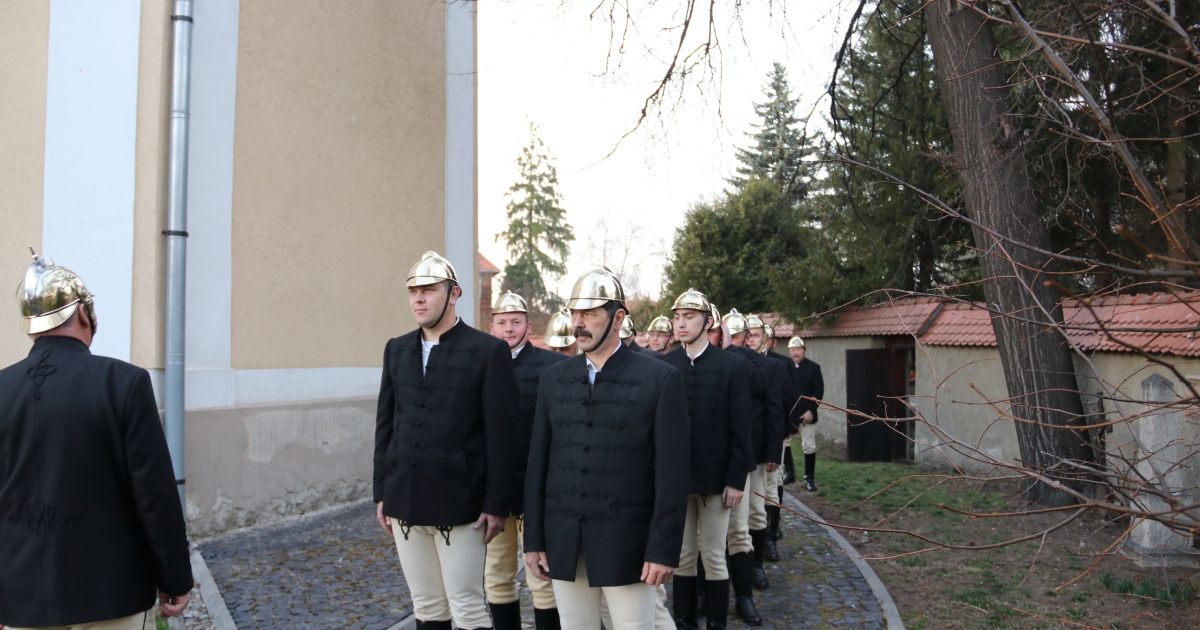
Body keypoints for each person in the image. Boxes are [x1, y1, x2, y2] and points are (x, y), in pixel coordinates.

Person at [0, 252, 193, 630]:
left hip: (24, 598)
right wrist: (175, 579)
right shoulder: (124, 382)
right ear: (84, 315)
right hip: (112, 593)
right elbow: (154, 494)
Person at [524, 268, 689, 630]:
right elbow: (539, 464)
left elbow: (672, 475)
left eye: (590, 314)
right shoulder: (553, 379)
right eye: (574, 314)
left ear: (618, 318)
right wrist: (533, 539)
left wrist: (662, 549)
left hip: (628, 542)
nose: (578, 324)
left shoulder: (660, 379)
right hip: (565, 539)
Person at [374, 251, 518, 630]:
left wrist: (497, 502)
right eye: (413, 291)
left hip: (462, 504)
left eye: (429, 290)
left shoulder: (488, 352)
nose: (418, 299)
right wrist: (382, 492)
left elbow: (503, 436)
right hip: (404, 497)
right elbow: (386, 426)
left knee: (467, 608)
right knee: (426, 607)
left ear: (453, 293)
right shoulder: (396, 349)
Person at [657, 290, 753, 630]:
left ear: (708, 322)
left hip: (717, 481)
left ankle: (716, 625)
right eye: (678, 317)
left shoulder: (734, 366)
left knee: (713, 555)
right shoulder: (666, 365)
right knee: (682, 556)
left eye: (690, 317)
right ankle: (684, 622)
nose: (681, 323)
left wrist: (735, 479)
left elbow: (742, 428)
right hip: (679, 481)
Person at [487, 292, 567, 630]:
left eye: (515, 322)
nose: (508, 329)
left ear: (528, 326)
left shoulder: (552, 366)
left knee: (542, 576)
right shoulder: (481, 364)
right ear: (492, 327)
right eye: (502, 323)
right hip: (496, 492)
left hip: (538, 489)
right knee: (496, 573)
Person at [722, 310, 784, 593]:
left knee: (756, 513)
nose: (734, 341)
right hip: (726, 451)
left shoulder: (765, 367)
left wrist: (774, 452)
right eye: (729, 336)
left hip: (757, 452)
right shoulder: (721, 363)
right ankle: (726, 566)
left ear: (748, 338)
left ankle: (755, 564)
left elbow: (774, 410)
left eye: (738, 336)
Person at [745, 317, 798, 562]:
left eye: (756, 334)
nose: (752, 339)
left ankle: (771, 536)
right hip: (752, 437)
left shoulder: (780, 363)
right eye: (749, 334)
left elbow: (788, 401)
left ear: (765, 337)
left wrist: (786, 432)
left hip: (774, 434)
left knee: (771, 489)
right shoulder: (739, 361)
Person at [788, 337, 825, 492]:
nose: (795, 353)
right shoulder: (784, 367)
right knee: (785, 444)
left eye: (798, 349)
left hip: (807, 414)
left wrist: (811, 410)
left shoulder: (813, 368)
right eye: (793, 350)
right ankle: (789, 472)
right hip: (789, 414)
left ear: (804, 350)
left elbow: (818, 391)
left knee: (809, 446)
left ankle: (809, 477)